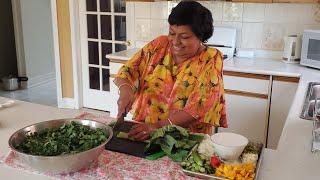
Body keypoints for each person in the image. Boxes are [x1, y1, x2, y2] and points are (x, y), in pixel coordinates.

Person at [113, 0, 227, 141]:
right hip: (144, 130)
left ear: (201, 36)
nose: (175, 41)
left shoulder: (211, 58)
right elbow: (127, 71)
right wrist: (125, 90)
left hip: (185, 138)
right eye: (172, 33)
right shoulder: (159, 45)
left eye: (184, 37)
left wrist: (159, 126)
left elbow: (200, 107)